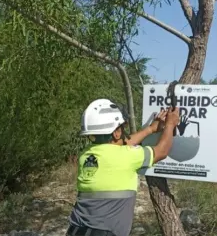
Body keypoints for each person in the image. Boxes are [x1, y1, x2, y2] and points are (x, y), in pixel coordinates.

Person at [66, 98, 180, 236]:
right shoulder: (128, 156)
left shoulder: (86, 154)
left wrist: (150, 129)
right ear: (116, 132)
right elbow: (161, 151)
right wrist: (170, 124)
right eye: (121, 127)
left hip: (76, 229)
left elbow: (122, 145)